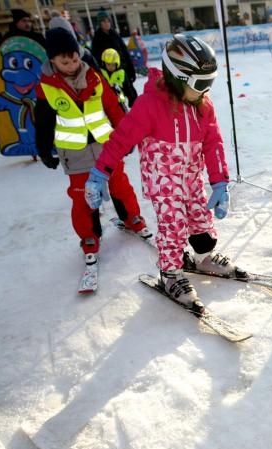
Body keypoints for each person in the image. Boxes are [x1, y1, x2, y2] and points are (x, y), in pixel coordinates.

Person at [84, 35, 234, 308]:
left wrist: (220, 181)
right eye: (201, 84)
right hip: (163, 181)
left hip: (191, 177)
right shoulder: (150, 105)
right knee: (173, 226)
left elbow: (213, 143)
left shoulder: (203, 105)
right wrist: (100, 173)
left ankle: (203, 257)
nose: (205, 91)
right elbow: (121, 139)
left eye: (209, 83)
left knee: (201, 218)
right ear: (178, 77)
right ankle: (170, 273)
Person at [34, 28, 151, 271]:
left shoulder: (95, 78)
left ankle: (131, 218)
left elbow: (114, 109)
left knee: (120, 185)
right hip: (74, 155)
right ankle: (89, 235)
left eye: (75, 58)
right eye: (65, 61)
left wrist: (125, 137)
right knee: (82, 197)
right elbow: (44, 122)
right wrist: (44, 149)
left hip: (106, 149)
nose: (71, 64)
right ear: (53, 61)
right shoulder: (47, 87)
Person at [90, 9, 138, 106]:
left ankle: (137, 114)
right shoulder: (97, 38)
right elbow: (95, 58)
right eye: (103, 21)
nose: (106, 23)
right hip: (109, 75)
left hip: (122, 71)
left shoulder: (115, 35)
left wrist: (131, 69)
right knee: (117, 100)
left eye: (108, 21)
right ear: (100, 23)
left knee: (132, 96)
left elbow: (124, 52)